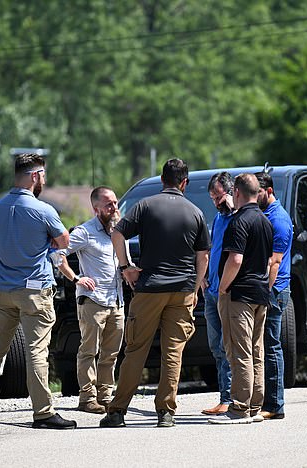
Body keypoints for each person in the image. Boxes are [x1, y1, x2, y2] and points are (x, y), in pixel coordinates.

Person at [100, 158, 210, 428]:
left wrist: (126, 267)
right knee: (173, 352)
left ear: (162, 180)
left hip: (149, 288)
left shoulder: (145, 206)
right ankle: (166, 412)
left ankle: (117, 411)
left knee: (136, 349)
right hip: (182, 290)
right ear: (184, 183)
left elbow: (117, 234)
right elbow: (203, 257)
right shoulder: (195, 212)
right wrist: (195, 288)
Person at [0, 153, 77, 430]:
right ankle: (43, 412)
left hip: (4, 287)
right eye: (42, 175)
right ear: (34, 176)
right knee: (36, 350)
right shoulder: (43, 210)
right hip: (34, 291)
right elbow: (63, 241)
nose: (44, 180)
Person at [208, 173, 273, 425]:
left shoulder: (239, 221)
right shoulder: (265, 221)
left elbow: (235, 260)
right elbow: (268, 262)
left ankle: (239, 408)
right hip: (259, 293)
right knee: (256, 351)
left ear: (236, 192)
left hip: (240, 295)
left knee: (238, 351)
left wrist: (223, 287)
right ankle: (255, 406)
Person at [54, 186, 125, 414]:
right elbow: (58, 253)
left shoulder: (119, 231)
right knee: (88, 351)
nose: (114, 207)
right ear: (96, 209)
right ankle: (87, 397)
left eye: (115, 202)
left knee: (111, 353)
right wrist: (76, 278)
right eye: (108, 204)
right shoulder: (85, 232)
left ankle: (105, 396)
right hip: (93, 301)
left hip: (116, 300)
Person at [255, 171, 293, 420]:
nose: (252, 197)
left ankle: (275, 405)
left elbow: (275, 263)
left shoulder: (278, 219)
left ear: (268, 191)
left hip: (274, 290)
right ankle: (264, 401)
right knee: (264, 346)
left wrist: (264, 292)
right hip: (265, 289)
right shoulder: (263, 214)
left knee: (272, 347)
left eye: (256, 192)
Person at [201, 171, 235, 416]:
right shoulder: (219, 219)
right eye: (212, 198)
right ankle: (224, 396)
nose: (216, 203)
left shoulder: (238, 217)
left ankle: (231, 398)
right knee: (216, 346)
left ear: (231, 193)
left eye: (219, 197)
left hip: (228, 293)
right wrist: (203, 279)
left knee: (229, 346)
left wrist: (235, 209)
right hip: (211, 291)